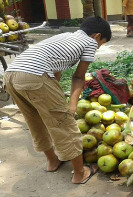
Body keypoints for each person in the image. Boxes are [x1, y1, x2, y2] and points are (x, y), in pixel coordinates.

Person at [4, 17, 111, 184]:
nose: (98, 47)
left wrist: (52, 97)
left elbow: (55, 69)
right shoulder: (90, 43)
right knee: (64, 124)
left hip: (11, 75)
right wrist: (72, 107)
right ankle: (79, 173)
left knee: (35, 121)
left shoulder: (67, 36)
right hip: (34, 75)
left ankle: (53, 161)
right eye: (101, 43)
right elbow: (78, 77)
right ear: (97, 36)